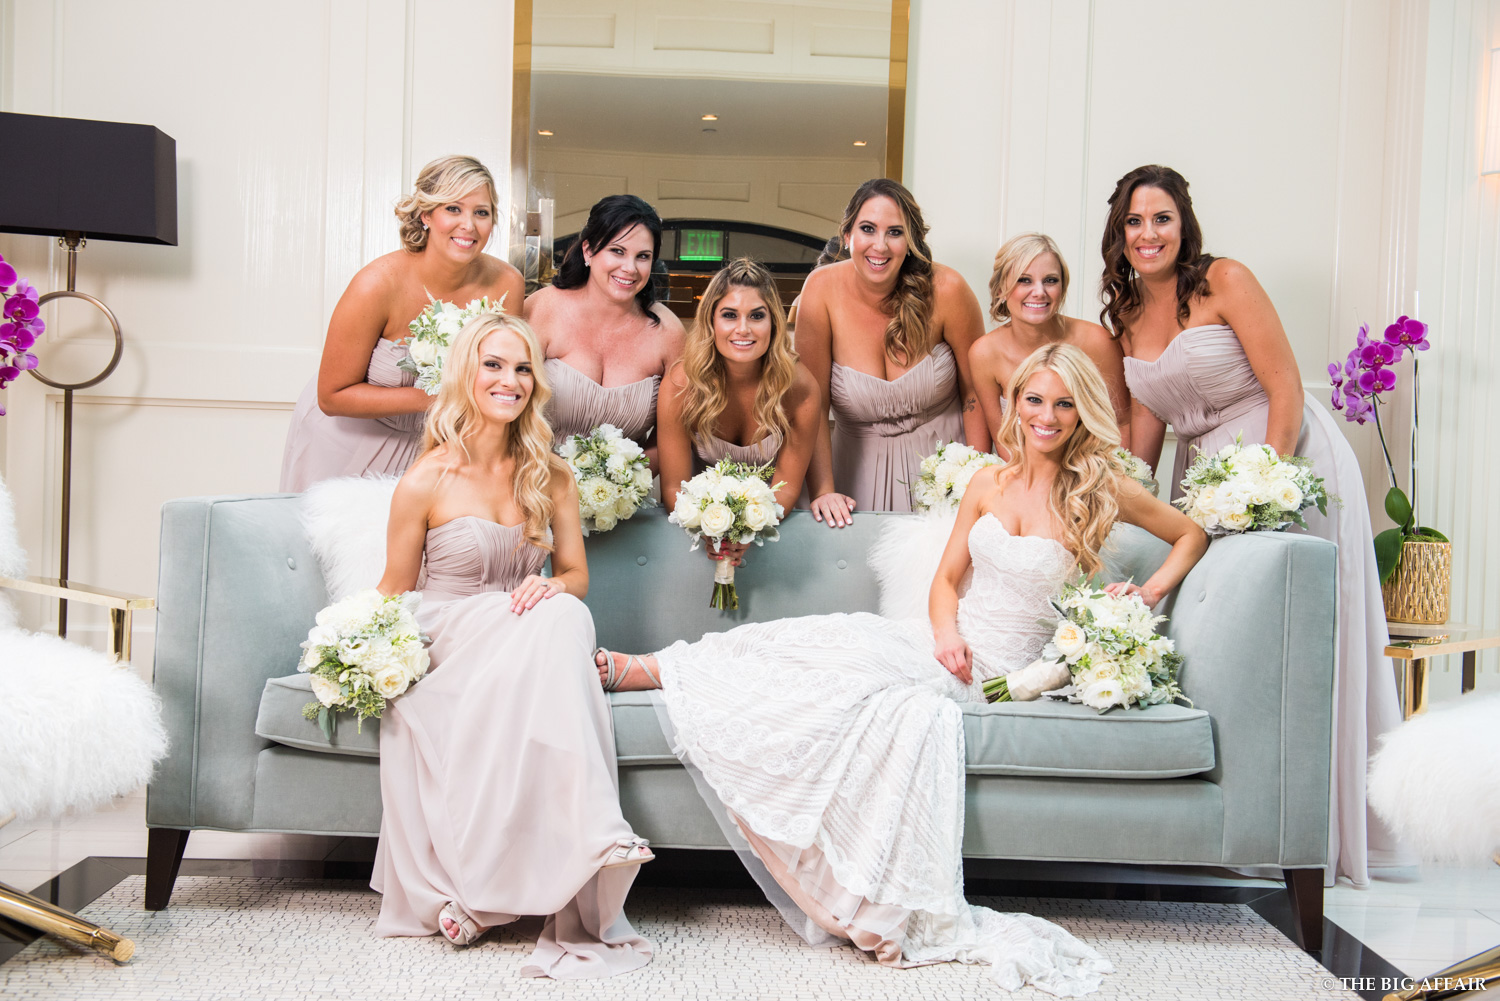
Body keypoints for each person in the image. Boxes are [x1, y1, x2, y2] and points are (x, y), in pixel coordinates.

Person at [596, 344, 1206, 993]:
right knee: (814, 641)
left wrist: (1143, 594)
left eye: (1063, 404)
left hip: (999, 671)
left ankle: (648, 674)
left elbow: (1191, 534)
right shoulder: (988, 481)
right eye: (1034, 400)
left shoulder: (1102, 486)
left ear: (1081, 412)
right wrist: (945, 634)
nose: (1046, 416)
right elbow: (945, 581)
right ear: (1015, 404)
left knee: (860, 695)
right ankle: (652, 668)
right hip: (941, 643)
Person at [1101, 163, 1406, 887]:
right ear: (1119, 233)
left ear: (1184, 224)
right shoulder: (1126, 316)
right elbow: (1146, 432)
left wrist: (1268, 480)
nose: (1148, 233)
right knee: (1238, 645)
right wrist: (1120, 503)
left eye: (1162, 218)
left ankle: (1327, 830)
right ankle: (1253, 822)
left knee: (1305, 640)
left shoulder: (1224, 280)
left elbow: (1284, 385)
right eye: (1135, 221)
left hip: (1287, 457)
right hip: (1204, 480)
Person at [370, 311, 654, 978]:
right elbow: (393, 591)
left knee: (562, 612)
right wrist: (356, 650)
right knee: (554, 624)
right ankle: (593, 838)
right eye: (493, 365)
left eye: (523, 368)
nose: (510, 380)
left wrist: (551, 585)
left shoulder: (551, 474)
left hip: (526, 636)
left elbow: (575, 575)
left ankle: (507, 887)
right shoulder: (426, 479)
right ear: (465, 374)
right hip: (452, 640)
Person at [280, 155, 524, 492]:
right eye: (453, 208)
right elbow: (332, 397)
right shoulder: (377, 284)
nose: (468, 225)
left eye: (481, 212)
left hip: (439, 451)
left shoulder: (507, 284)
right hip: (349, 446)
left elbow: (504, 374)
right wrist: (440, 397)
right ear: (427, 215)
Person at [794, 179, 989, 523]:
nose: (880, 246)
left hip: (944, 480)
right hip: (854, 481)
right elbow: (813, 403)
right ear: (847, 234)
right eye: (868, 229)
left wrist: (976, 479)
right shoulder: (820, 290)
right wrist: (824, 489)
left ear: (911, 241)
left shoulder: (949, 289)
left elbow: (975, 393)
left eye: (895, 232)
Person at [657, 258, 822, 568]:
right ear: (711, 321)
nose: (743, 329)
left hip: (778, 526)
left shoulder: (798, 387)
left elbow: (787, 485)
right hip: (700, 539)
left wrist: (748, 531)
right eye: (729, 315)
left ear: (773, 323)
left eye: (757, 316)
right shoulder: (682, 384)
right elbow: (673, 487)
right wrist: (707, 529)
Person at [524, 195, 686, 463]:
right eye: (617, 251)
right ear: (588, 250)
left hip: (627, 487)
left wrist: (628, 479)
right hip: (537, 478)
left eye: (643, 256)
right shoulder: (542, 309)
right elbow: (507, 412)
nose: (630, 268)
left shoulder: (669, 333)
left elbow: (669, 439)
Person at [970, 233, 1130, 454]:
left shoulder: (1097, 341)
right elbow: (1003, 440)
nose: (1039, 292)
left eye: (1050, 280)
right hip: (1021, 470)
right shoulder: (984, 353)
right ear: (1000, 290)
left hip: (1092, 469)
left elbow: (1122, 424)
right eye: (1024, 280)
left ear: (1062, 287)